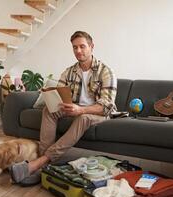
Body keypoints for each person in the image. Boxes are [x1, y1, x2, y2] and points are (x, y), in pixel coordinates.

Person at [9, 31, 117, 185]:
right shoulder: (69, 72)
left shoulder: (105, 71)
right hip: (73, 109)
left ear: (91, 47)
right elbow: (59, 96)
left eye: (82, 46)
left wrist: (81, 110)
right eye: (75, 47)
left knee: (83, 117)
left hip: (97, 113)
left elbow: (106, 106)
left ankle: (40, 163)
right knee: (48, 111)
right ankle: (45, 166)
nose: (78, 51)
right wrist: (52, 99)